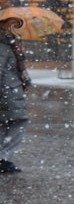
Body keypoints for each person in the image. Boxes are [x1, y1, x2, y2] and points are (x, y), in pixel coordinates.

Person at [0, 16, 31, 174]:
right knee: (18, 122)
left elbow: (16, 69)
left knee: (8, 125)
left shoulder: (10, 44)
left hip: (11, 91)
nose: (15, 28)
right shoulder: (3, 45)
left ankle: (3, 159)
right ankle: (4, 159)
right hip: (7, 92)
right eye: (12, 24)